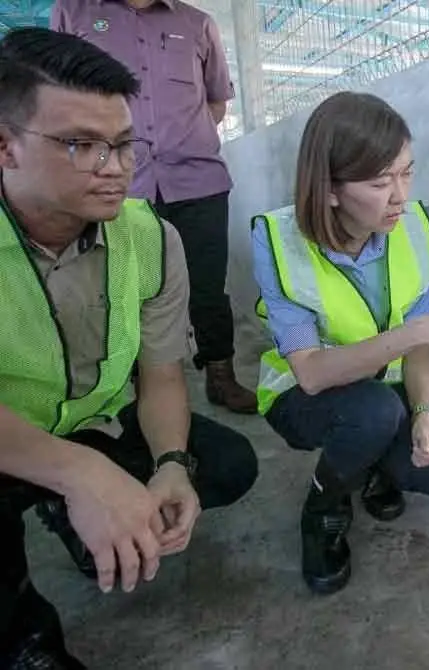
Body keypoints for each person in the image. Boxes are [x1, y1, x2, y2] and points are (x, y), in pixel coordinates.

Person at [0, 28, 258, 668]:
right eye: (80, 145)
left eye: (121, 145)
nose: (113, 168)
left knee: (223, 465)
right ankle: (23, 640)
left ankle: (73, 508)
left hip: (102, 418)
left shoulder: (149, 237)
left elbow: (163, 372)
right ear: (4, 148)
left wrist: (170, 461)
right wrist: (83, 474)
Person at [252, 91, 429, 595]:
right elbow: (313, 372)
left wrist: (425, 414)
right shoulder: (278, 240)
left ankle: (369, 465)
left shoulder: (414, 230)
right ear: (329, 190)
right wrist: (420, 331)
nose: (399, 196)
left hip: (377, 393)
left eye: (407, 172)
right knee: (373, 414)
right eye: (378, 181)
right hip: (302, 397)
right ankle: (322, 511)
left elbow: (417, 351)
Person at [50, 0, 258, 414]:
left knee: (207, 287)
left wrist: (185, 137)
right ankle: (121, 386)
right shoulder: (75, 13)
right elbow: (56, 98)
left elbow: (216, 102)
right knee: (115, 289)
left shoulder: (198, 24)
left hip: (198, 181)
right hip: (116, 184)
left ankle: (220, 373)